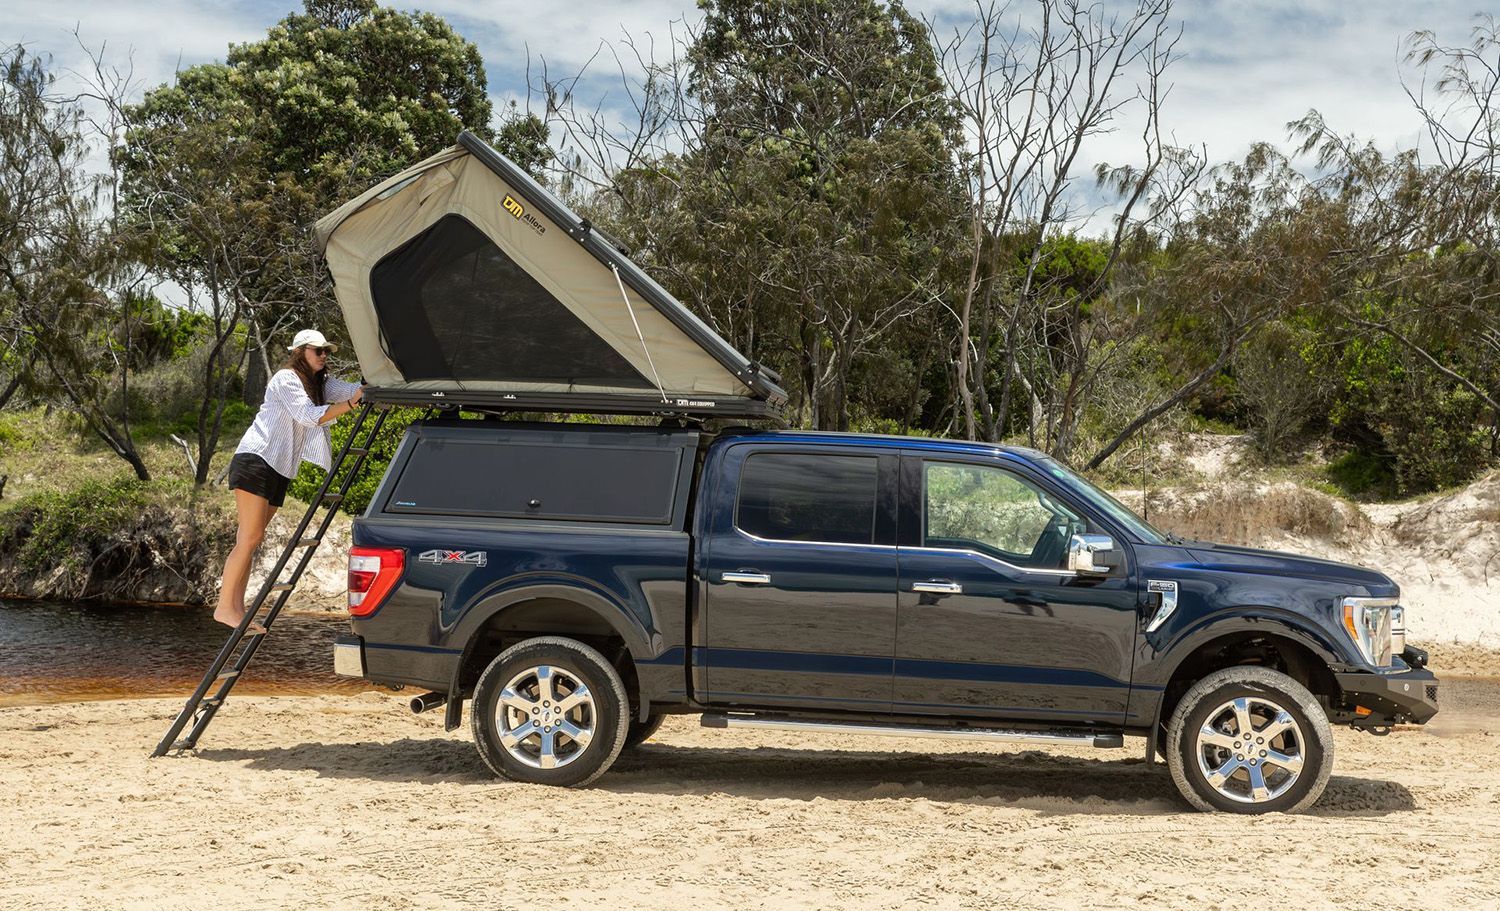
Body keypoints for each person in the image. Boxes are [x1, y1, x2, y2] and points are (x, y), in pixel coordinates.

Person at [213, 329, 364, 633]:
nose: (323, 356)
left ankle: (237, 609)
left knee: (251, 540)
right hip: (256, 460)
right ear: (299, 351)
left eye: (326, 352)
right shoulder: (286, 378)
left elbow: (351, 390)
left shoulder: (320, 383)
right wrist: (350, 405)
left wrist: (372, 384)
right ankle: (224, 609)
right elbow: (308, 415)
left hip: (279, 468)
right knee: (250, 538)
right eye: (317, 351)